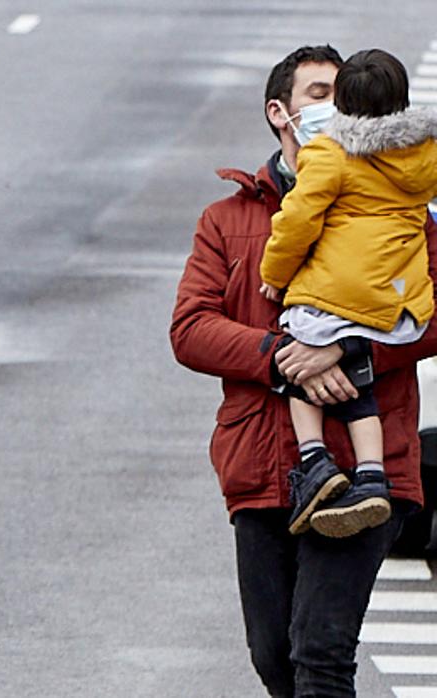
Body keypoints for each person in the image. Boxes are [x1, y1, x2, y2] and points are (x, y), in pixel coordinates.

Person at [171, 45, 437, 697]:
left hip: (364, 468)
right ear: (280, 113)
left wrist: (349, 354)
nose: (333, 106)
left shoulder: (401, 207)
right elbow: (191, 328)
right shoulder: (229, 219)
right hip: (262, 469)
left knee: (321, 652)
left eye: (340, 94)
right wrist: (283, 360)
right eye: (318, 93)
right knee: (274, 656)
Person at [259, 48, 437, 539]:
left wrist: (275, 271)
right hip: (400, 301)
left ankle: (315, 459)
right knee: (359, 382)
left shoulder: (330, 152)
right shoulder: (424, 156)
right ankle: (373, 474)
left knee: (299, 359)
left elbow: (297, 221)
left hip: (337, 292)